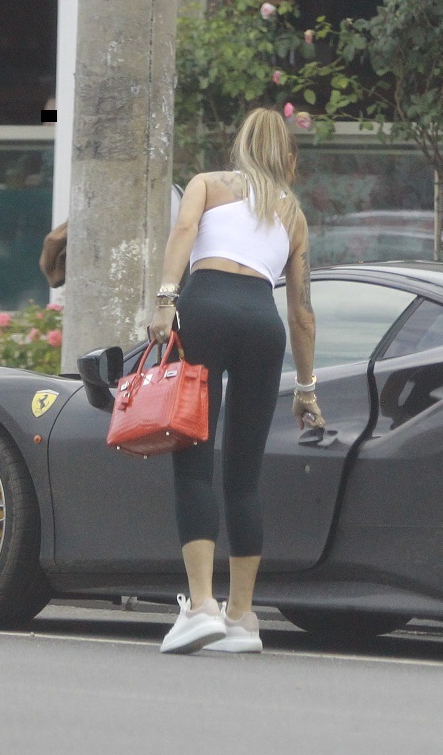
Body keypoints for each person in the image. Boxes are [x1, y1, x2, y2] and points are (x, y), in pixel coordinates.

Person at [147, 107, 323, 655]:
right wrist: (307, 389)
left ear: (241, 144)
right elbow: (302, 312)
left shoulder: (206, 184)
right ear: (287, 156)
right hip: (262, 326)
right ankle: (243, 618)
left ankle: (202, 606)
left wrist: (166, 298)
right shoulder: (293, 214)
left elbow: (183, 231)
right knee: (244, 476)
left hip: (205, 311)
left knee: (193, 461)